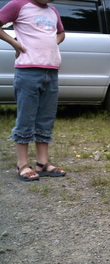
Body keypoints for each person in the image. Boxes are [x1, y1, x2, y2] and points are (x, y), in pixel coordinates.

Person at [0, 0, 66, 181]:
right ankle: (22, 164)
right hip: (28, 71)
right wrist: (15, 44)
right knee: (26, 117)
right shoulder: (18, 5)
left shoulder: (52, 11)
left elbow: (61, 33)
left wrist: (52, 43)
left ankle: (42, 163)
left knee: (46, 117)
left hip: (51, 71)